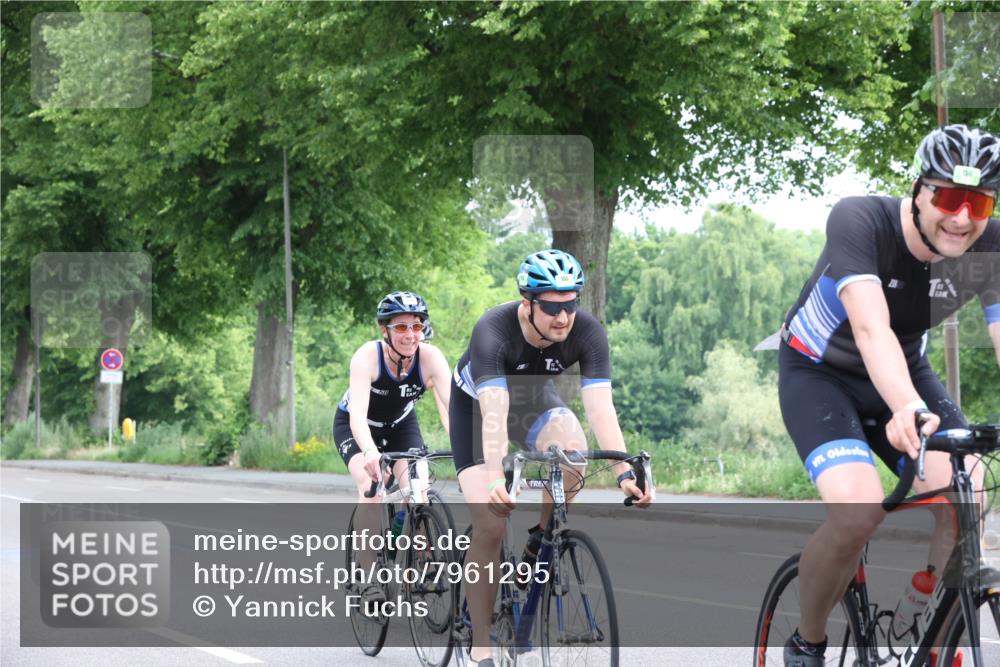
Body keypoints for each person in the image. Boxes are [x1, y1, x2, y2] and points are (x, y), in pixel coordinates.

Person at [778, 124, 1000, 666]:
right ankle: (808, 640)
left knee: (969, 492)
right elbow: (872, 329)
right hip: (820, 373)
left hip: (905, 370)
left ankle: (923, 626)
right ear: (919, 189)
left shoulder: (990, 245)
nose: (963, 217)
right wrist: (907, 407)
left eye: (980, 202)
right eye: (949, 197)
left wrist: (909, 400)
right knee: (857, 516)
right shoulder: (861, 220)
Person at [450, 249, 652, 667]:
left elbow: (599, 407)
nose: (563, 317)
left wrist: (622, 472)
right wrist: (494, 478)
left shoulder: (587, 331)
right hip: (479, 410)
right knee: (489, 521)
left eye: (571, 304)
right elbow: (494, 412)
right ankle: (482, 642)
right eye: (552, 307)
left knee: (574, 451)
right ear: (528, 303)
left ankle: (541, 536)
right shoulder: (494, 329)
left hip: (535, 403)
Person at [334, 291, 452, 603]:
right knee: (370, 487)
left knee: (418, 489)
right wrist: (371, 453)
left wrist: (474, 449)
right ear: (384, 329)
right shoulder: (366, 357)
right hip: (357, 426)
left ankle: (423, 559)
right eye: (401, 327)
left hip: (401, 426)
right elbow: (357, 414)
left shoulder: (431, 358)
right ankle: (369, 577)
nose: (411, 335)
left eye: (417, 326)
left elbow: (455, 409)